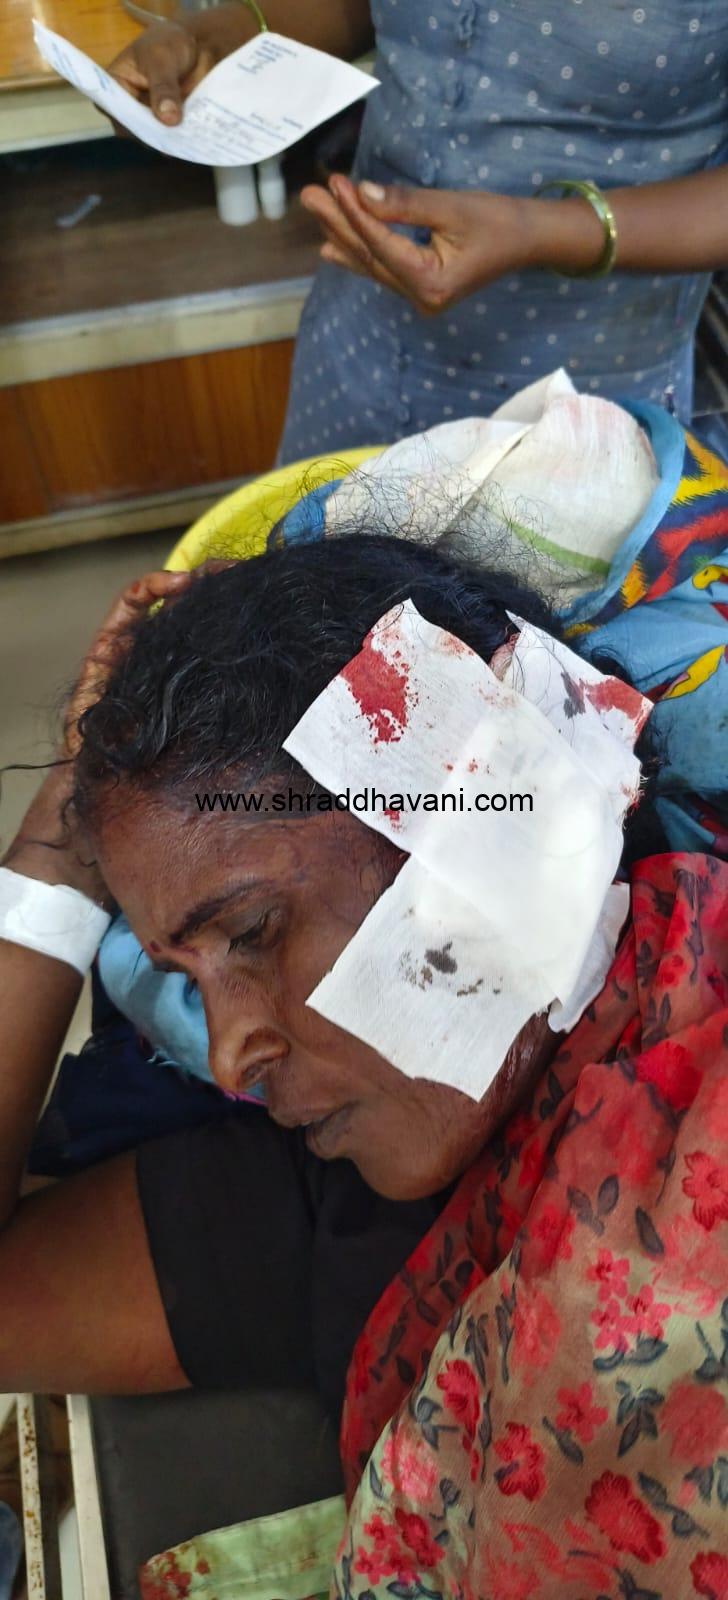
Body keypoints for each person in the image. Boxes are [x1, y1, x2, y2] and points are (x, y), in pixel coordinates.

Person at [0, 506, 726, 1598]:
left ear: (481, 813)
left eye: (252, 932)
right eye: (189, 977)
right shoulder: (333, 1184)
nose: (232, 1055)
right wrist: (58, 842)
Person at [110, 2, 728, 455]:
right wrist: (217, 39)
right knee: (319, 589)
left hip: (582, 399)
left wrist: (541, 230)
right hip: (360, 344)